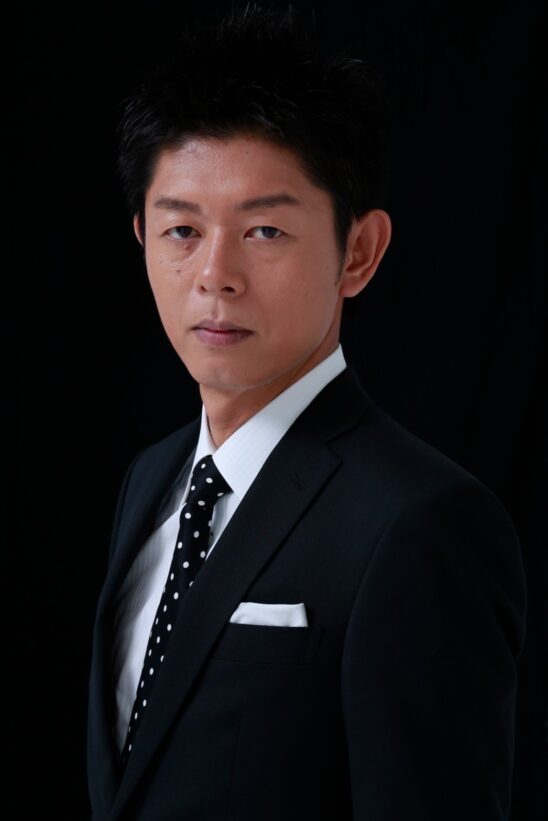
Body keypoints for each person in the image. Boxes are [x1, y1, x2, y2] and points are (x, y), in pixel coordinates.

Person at [87, 6, 526, 820]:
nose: (214, 274)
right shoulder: (149, 481)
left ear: (359, 252)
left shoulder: (422, 523)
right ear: (142, 235)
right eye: (182, 229)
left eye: (263, 229)